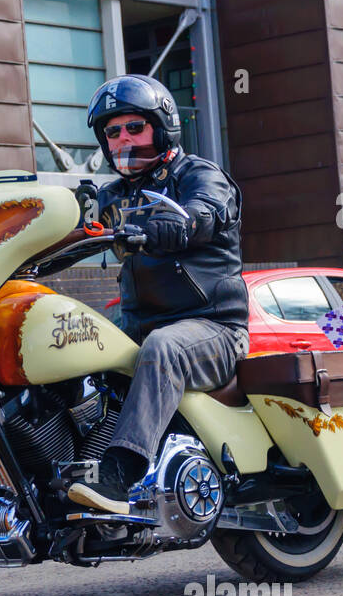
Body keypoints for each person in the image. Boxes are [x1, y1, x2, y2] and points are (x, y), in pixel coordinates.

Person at [68, 73, 250, 514]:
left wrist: (161, 225)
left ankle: (118, 474)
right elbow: (66, 228)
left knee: (163, 346)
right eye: (113, 132)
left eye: (134, 127)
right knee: (68, 339)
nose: (123, 139)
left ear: (161, 127)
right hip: (139, 325)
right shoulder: (110, 196)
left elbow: (200, 216)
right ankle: (69, 466)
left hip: (213, 328)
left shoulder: (200, 176)